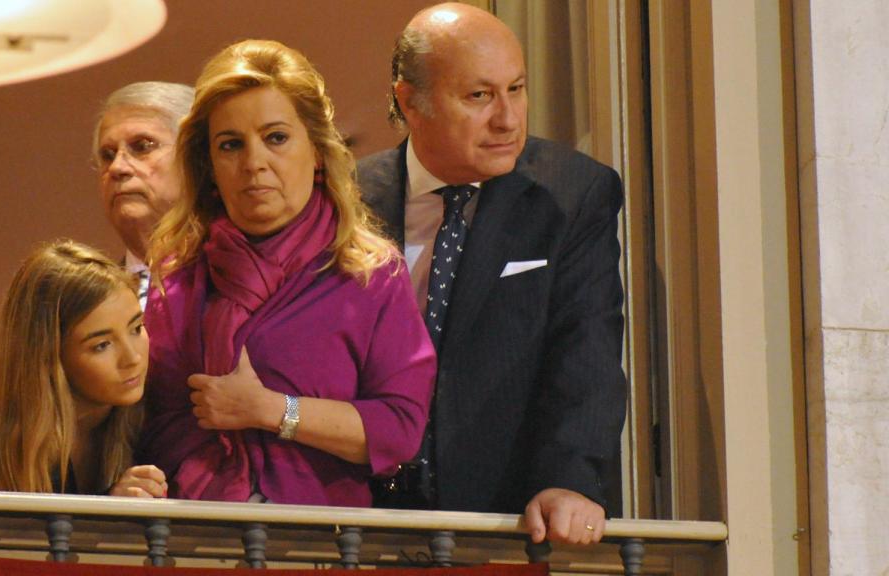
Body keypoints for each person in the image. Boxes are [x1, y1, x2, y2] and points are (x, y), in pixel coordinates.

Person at [357, 3, 627, 546]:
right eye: (479, 96)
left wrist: (569, 479)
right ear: (410, 102)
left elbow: (586, 348)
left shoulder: (573, 193)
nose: (508, 119)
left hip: (507, 524)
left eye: (517, 89)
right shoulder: (346, 199)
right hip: (359, 519)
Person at [140, 39, 436, 507]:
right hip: (196, 531)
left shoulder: (370, 274)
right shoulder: (178, 276)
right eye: (231, 145)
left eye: (276, 138)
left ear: (316, 150)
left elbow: (400, 430)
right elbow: (152, 427)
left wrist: (272, 410)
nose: (254, 163)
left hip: (320, 535)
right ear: (209, 165)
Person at [0, 240, 167, 497]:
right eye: (102, 345)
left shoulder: (156, 416)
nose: (133, 358)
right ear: (48, 356)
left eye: (136, 328)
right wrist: (108, 509)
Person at [93, 81, 194, 308]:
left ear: (196, 157)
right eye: (107, 155)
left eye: (142, 146)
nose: (117, 167)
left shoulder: (246, 284)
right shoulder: (91, 309)